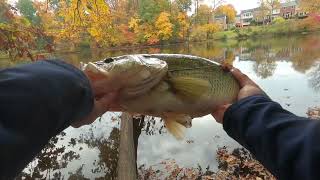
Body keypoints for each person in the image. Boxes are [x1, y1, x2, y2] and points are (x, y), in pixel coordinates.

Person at [0, 59, 319, 179]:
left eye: (110, 61)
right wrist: (255, 113)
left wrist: (250, 110)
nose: (100, 65)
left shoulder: (161, 73)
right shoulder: (131, 89)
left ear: (150, 65)